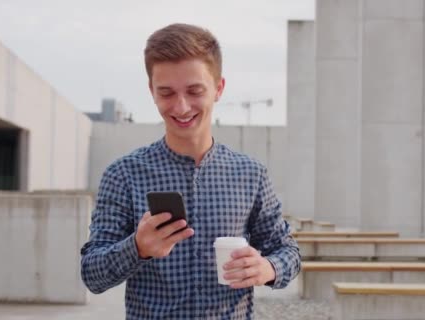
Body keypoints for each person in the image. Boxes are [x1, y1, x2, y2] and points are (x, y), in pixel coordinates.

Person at [80, 23, 300, 319]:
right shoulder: (123, 175)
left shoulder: (251, 175)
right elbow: (92, 275)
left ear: (219, 88)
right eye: (167, 93)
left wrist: (268, 268)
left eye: (195, 91)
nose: (181, 107)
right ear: (151, 92)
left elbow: (288, 251)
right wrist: (137, 247)